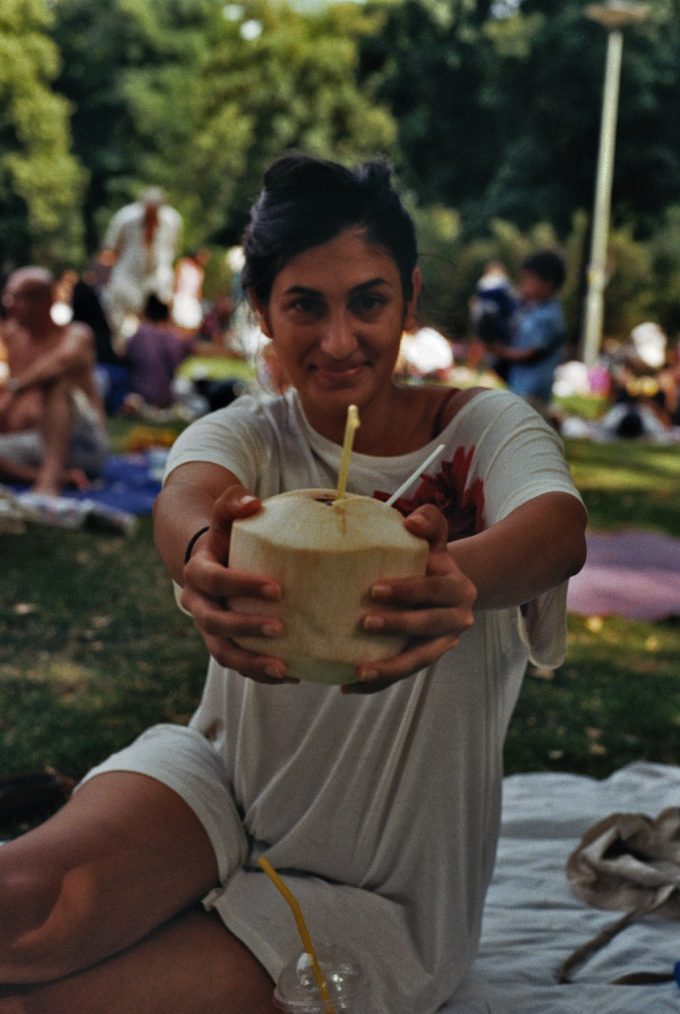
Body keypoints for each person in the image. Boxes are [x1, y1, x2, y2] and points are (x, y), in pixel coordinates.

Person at [0, 155, 586, 1013]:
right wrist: (202, 558)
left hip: (379, 888)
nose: (339, 340)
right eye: (306, 306)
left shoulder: (484, 428)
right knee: (20, 913)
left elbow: (556, 530)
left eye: (368, 302)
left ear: (409, 298)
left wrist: (451, 579)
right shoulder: (246, 434)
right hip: (216, 787)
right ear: (262, 313)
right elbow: (186, 501)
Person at [0, 267, 109, 495]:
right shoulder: (12, 336)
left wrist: (15, 389)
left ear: (46, 300)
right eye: (8, 296)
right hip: (34, 442)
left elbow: (62, 362)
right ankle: (52, 476)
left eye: (19, 297)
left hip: (82, 444)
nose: (9, 303)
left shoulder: (77, 334)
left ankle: (48, 484)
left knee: (57, 382)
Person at [100, 187, 182, 349]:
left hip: (157, 277)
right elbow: (111, 250)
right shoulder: (125, 218)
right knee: (117, 317)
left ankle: (154, 350)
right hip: (127, 275)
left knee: (157, 319)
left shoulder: (172, 220)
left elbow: (171, 249)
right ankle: (118, 349)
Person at [491, 249, 567, 419]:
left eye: (528, 279)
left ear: (547, 284)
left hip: (533, 393)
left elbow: (533, 353)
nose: (522, 284)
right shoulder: (531, 309)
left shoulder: (549, 316)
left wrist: (501, 352)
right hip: (519, 388)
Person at [123, 293, 190, 412]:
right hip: (164, 396)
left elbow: (125, 356)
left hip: (139, 393)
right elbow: (177, 362)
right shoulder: (169, 336)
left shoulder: (138, 334)